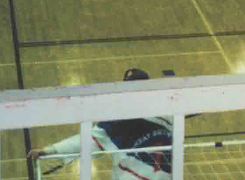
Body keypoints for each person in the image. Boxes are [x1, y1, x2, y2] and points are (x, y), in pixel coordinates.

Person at [27, 68, 173, 180]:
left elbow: (84, 141)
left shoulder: (117, 120)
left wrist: (50, 150)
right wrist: (50, 150)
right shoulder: (170, 111)